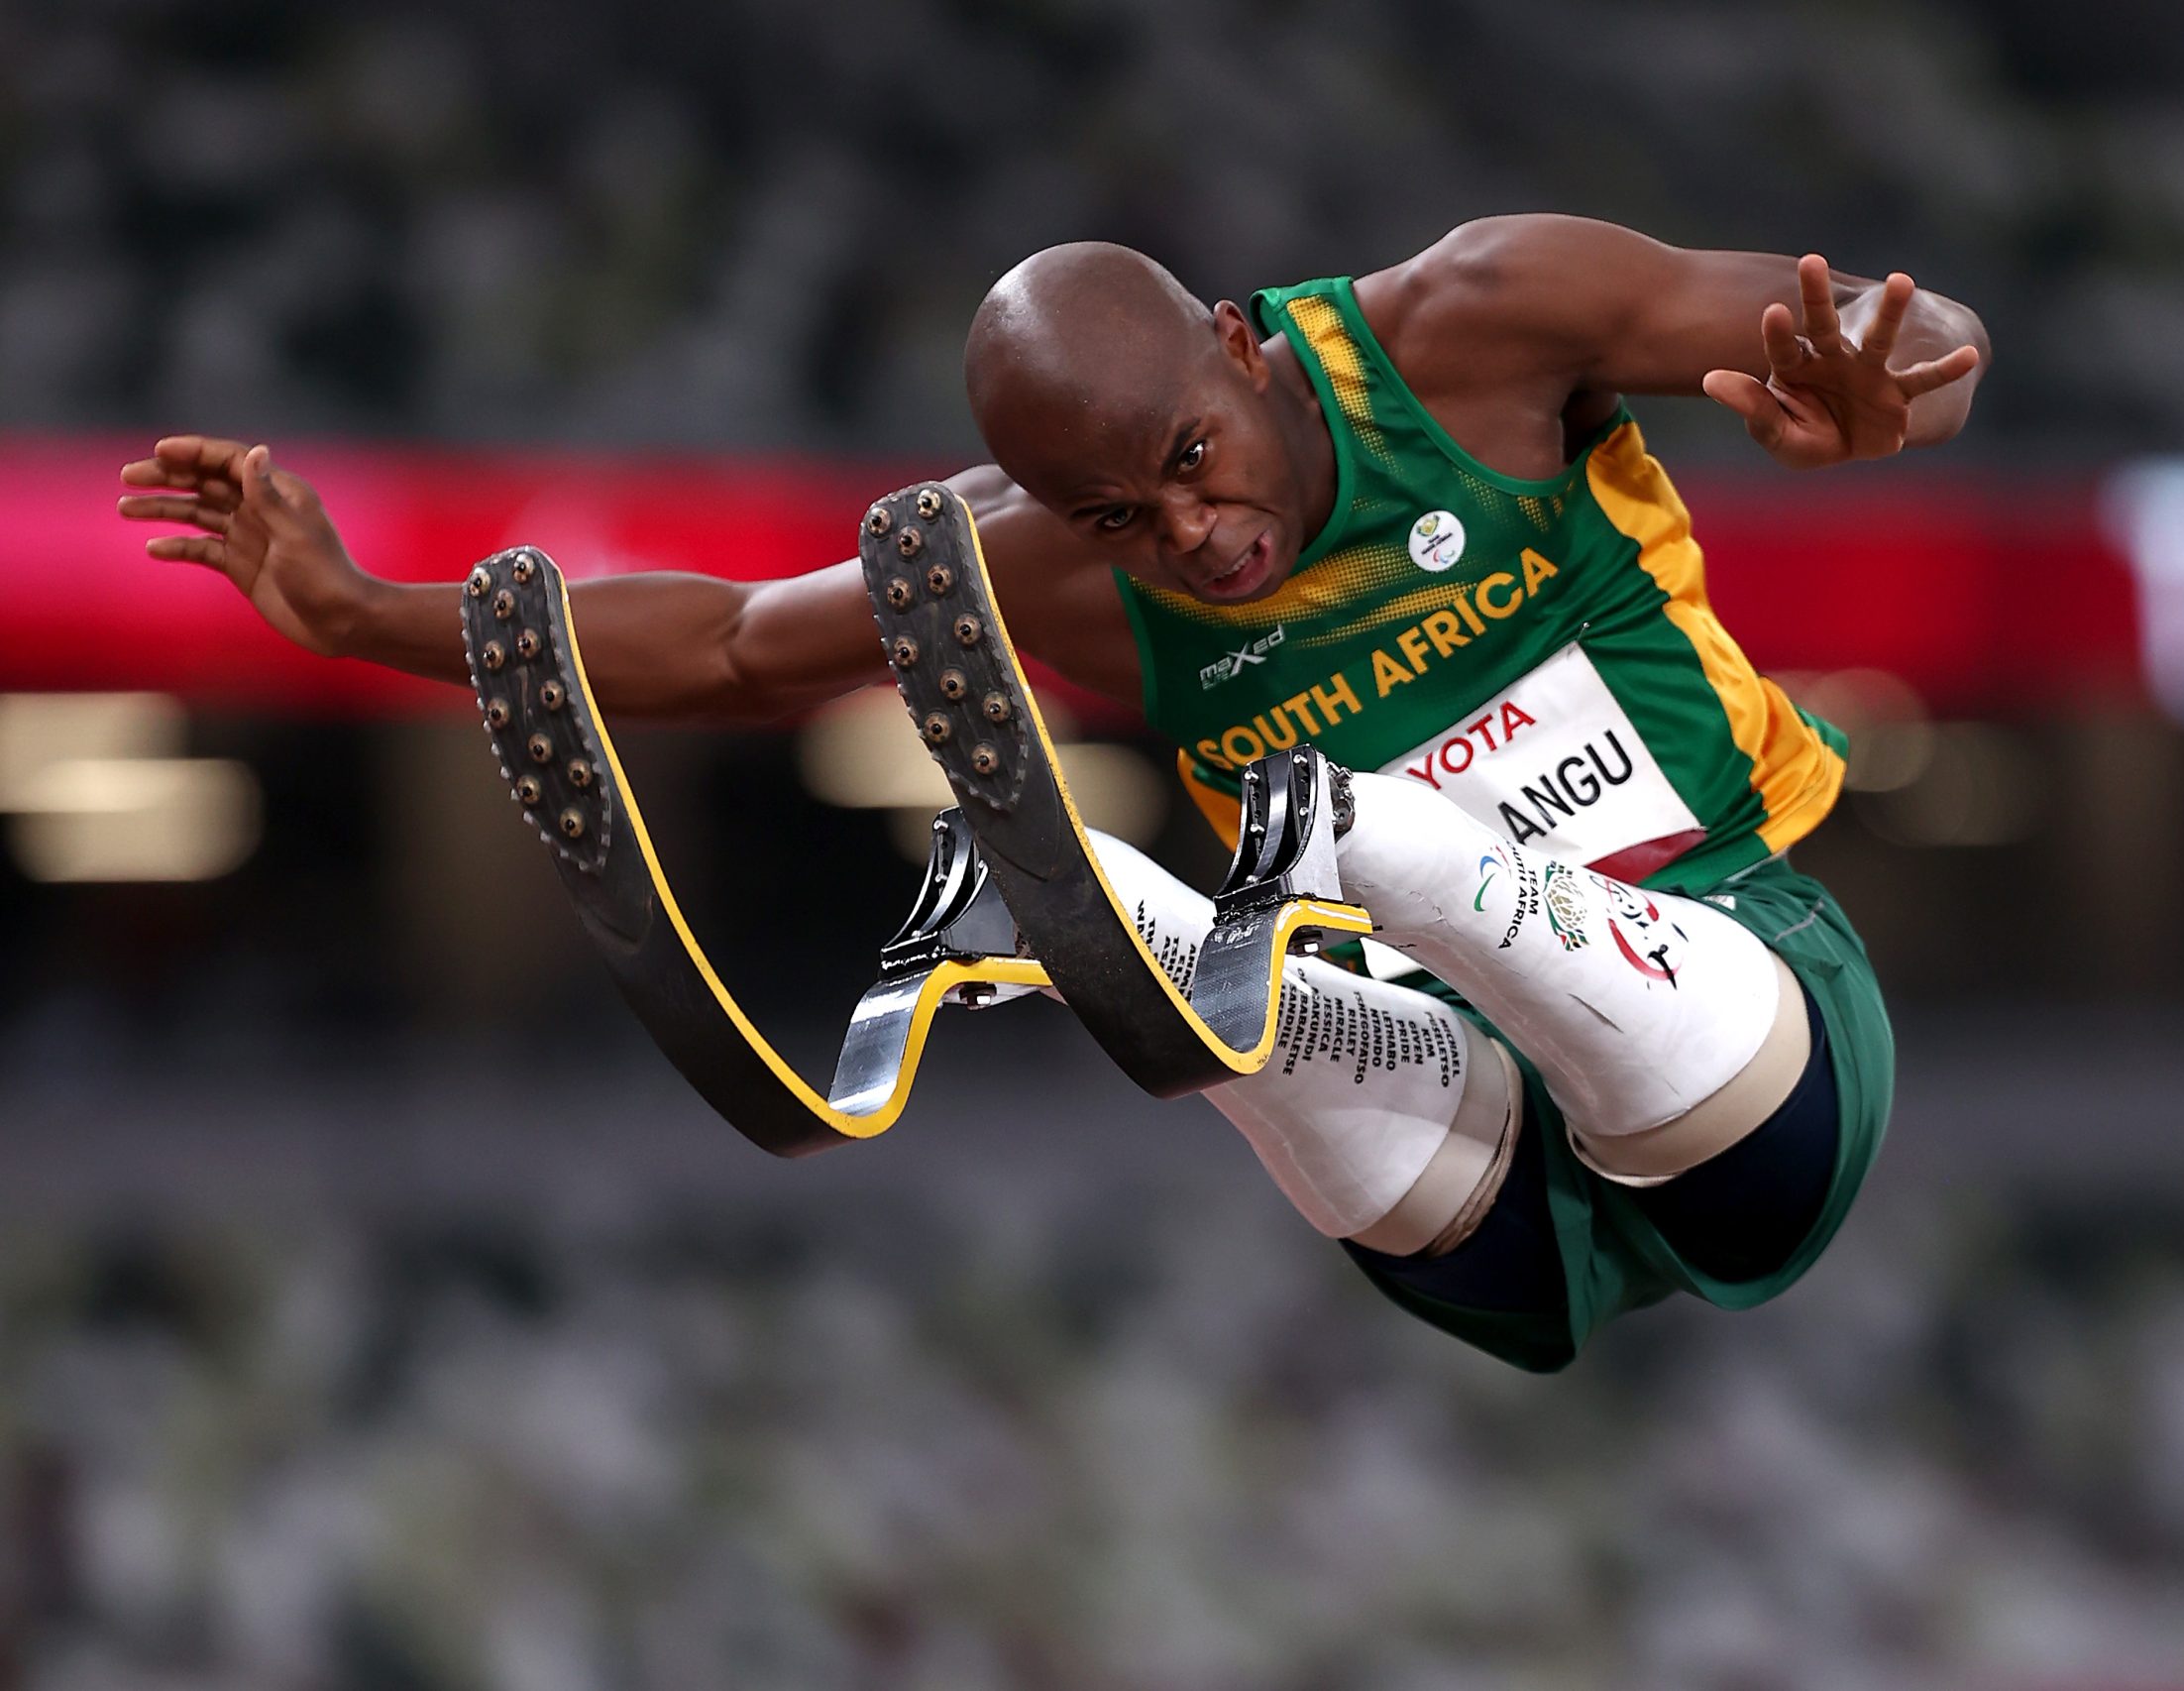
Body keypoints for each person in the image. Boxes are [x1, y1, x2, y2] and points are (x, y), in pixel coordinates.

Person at [120, 214, 1987, 1372]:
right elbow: (741, 648)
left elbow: (1915, 330)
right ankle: (1113, 900)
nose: (1198, 537)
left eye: (1195, 460)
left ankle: (1308, 845)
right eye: (1121, 518)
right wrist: (359, 614)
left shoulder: (1481, 325)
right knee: (1435, 1203)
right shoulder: (1045, 565)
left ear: (1244, 345)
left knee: (1753, 1179)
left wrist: (1897, 387)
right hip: (1445, 1099)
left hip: (1720, 959)